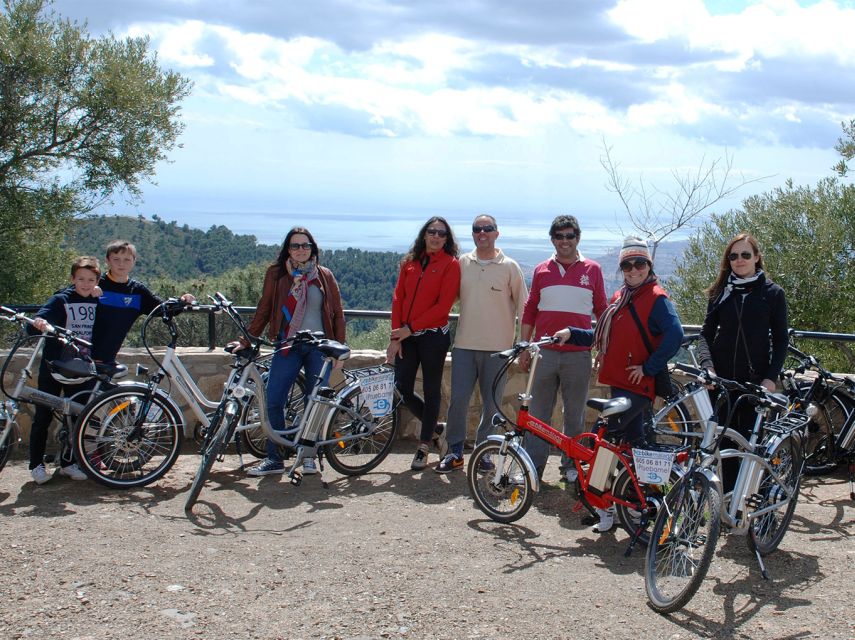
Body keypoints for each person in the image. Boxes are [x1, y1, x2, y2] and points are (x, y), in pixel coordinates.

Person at [554, 236, 683, 531]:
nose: (634, 269)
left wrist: (648, 367)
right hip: (619, 383)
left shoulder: (656, 298)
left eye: (639, 264)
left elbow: (675, 335)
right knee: (634, 446)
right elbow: (603, 334)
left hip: (637, 387)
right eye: (627, 265)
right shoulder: (622, 297)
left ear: (649, 265)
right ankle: (636, 506)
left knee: (608, 443)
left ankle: (610, 508)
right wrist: (573, 333)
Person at [244, 227, 346, 477]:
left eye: (305, 245)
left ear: (313, 248)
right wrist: (246, 340)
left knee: (315, 402)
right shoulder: (277, 274)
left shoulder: (324, 275)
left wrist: (340, 349)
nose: (301, 250)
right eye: (295, 245)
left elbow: (337, 314)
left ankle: (308, 456)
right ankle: (274, 458)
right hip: (288, 345)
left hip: (319, 347)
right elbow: (264, 308)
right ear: (287, 250)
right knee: (273, 400)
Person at [435, 215, 527, 473]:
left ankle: (483, 453)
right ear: (473, 233)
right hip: (464, 345)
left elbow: (524, 306)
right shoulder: (463, 263)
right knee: (458, 401)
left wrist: (524, 344)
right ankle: (454, 452)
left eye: (488, 228)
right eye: (477, 229)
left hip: (499, 349)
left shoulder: (510, 267)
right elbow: (446, 298)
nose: (482, 233)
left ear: (497, 233)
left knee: (492, 405)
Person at [519, 214, 608, 482]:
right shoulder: (541, 270)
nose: (565, 241)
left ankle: (571, 466)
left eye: (570, 236)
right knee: (538, 415)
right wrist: (525, 346)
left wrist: (603, 350)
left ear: (578, 238)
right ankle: (533, 467)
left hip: (578, 355)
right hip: (544, 353)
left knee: (575, 415)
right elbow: (530, 309)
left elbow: (603, 312)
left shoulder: (593, 269)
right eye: (559, 236)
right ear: (552, 240)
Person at [697, 232, 788, 490]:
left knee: (751, 445)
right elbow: (705, 335)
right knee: (723, 445)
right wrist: (708, 367)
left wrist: (770, 378)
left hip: (755, 384)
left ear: (757, 258)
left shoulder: (773, 293)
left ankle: (750, 500)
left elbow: (781, 340)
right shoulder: (720, 293)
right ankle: (727, 502)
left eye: (745, 254)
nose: (739, 260)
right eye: (733, 256)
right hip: (721, 382)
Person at [387, 217, 461, 471]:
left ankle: (424, 445)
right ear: (424, 234)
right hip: (407, 337)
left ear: (447, 238)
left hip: (433, 337)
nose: (436, 236)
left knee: (431, 391)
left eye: (441, 233)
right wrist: (396, 337)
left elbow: (443, 307)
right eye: (432, 231)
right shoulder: (410, 262)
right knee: (402, 387)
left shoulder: (451, 264)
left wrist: (410, 328)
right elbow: (398, 298)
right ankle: (437, 429)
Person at [28, 256, 103, 484]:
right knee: (43, 416)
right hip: (53, 366)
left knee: (75, 418)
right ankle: (36, 464)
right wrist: (40, 322)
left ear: (97, 282)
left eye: (90, 280)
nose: (85, 284)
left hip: (81, 369)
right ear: (72, 279)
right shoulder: (61, 299)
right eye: (81, 279)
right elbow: (40, 319)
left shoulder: (98, 301)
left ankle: (68, 463)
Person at [89, 240, 195, 364]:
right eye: (116, 259)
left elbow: (162, 308)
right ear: (107, 260)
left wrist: (183, 301)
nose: (121, 264)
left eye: (127, 259)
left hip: (107, 359)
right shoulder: (94, 283)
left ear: (134, 261)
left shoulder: (137, 291)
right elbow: (70, 298)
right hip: (82, 356)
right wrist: (87, 292)